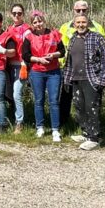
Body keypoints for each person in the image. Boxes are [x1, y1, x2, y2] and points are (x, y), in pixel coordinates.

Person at [62, 13, 105, 150]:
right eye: (78, 23)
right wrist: (66, 79)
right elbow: (69, 61)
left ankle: (94, 138)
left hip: (91, 78)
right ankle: (86, 132)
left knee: (92, 107)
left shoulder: (97, 38)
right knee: (80, 107)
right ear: (74, 24)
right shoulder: (72, 39)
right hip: (75, 78)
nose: (80, 25)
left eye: (83, 22)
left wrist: (102, 79)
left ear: (88, 23)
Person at [59, 0, 105, 126]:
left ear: (88, 10)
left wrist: (101, 72)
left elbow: (104, 50)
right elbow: (60, 47)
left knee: (92, 100)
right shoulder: (65, 27)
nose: (81, 12)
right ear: (73, 10)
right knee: (67, 98)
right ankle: (65, 124)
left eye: (84, 10)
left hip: (91, 71)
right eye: (78, 10)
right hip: (69, 69)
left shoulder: (97, 27)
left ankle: (93, 127)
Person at [22, 10, 65, 142]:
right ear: (32, 24)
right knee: (39, 100)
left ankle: (55, 129)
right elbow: (25, 55)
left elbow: (62, 51)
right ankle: (40, 127)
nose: (38, 24)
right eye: (35, 22)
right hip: (37, 71)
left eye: (40, 21)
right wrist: (38, 59)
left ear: (44, 21)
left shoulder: (54, 34)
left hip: (53, 72)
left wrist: (53, 55)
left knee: (54, 101)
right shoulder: (29, 37)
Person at [6, 3, 30, 133]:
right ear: (10, 14)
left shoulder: (27, 29)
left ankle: (19, 122)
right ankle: (10, 117)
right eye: (14, 13)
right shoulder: (8, 28)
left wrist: (25, 64)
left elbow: (29, 48)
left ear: (23, 14)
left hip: (21, 65)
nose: (16, 15)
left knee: (17, 94)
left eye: (19, 13)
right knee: (9, 94)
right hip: (8, 65)